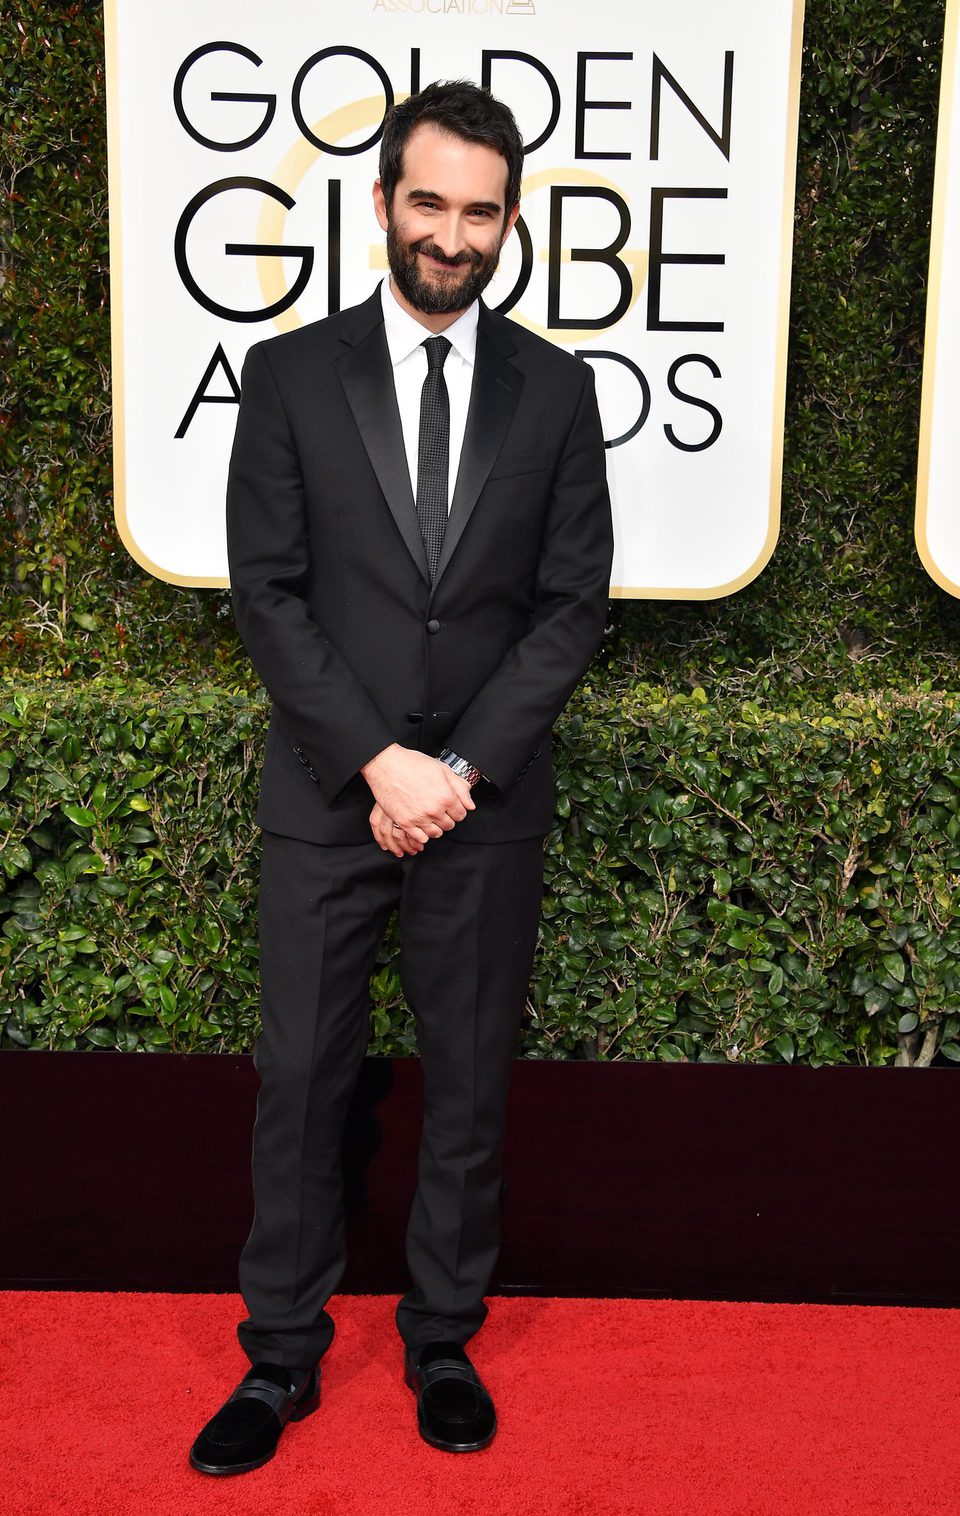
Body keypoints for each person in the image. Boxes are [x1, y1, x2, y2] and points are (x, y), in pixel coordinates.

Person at [189, 79, 613, 1476]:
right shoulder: (294, 376)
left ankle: (442, 1337)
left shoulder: (559, 390)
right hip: (328, 794)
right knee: (303, 1077)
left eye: (479, 210)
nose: (451, 233)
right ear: (380, 204)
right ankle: (280, 1361)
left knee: (470, 1082)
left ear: (509, 224)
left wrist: (463, 769)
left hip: (484, 808)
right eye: (427, 202)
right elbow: (268, 593)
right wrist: (378, 759)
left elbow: (569, 608)